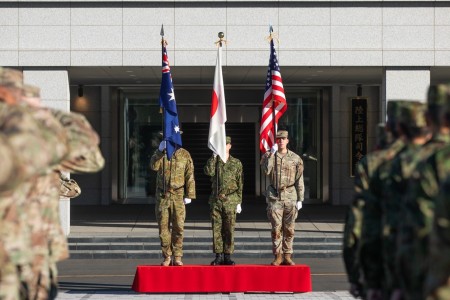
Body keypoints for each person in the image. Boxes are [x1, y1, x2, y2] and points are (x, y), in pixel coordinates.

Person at [150, 136, 196, 266]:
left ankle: (177, 256)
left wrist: (190, 194)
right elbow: (153, 167)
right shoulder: (160, 153)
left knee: (179, 227)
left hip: (178, 195)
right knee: (163, 228)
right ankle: (167, 256)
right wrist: (159, 151)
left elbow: (190, 175)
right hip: (163, 195)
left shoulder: (184, 154)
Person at [260, 129, 304, 266]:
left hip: (290, 195)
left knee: (290, 228)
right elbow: (266, 171)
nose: (280, 141)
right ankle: (278, 255)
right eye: (278, 139)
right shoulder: (269, 155)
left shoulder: (295, 158)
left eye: (283, 139)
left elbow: (299, 179)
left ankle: (288, 255)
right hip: (275, 196)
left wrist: (300, 199)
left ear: (287, 141)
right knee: (276, 228)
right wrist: (272, 154)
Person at [204, 136, 243, 266]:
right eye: (222, 144)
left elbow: (240, 183)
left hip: (231, 199)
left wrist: (239, 201)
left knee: (229, 229)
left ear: (230, 146)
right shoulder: (215, 161)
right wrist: (213, 157)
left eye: (226, 144)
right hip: (216, 199)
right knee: (217, 229)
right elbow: (208, 172)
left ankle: (228, 255)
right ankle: (218, 255)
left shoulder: (236, 163)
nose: (224, 146)